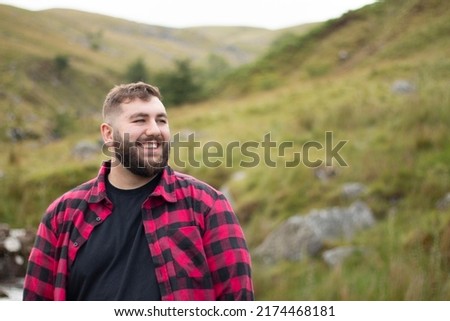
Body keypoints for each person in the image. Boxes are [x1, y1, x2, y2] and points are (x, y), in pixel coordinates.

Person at [23, 82, 254, 301]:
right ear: (108, 134)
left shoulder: (207, 205)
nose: (155, 130)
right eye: (140, 120)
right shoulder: (62, 215)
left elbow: (238, 303)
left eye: (161, 121)